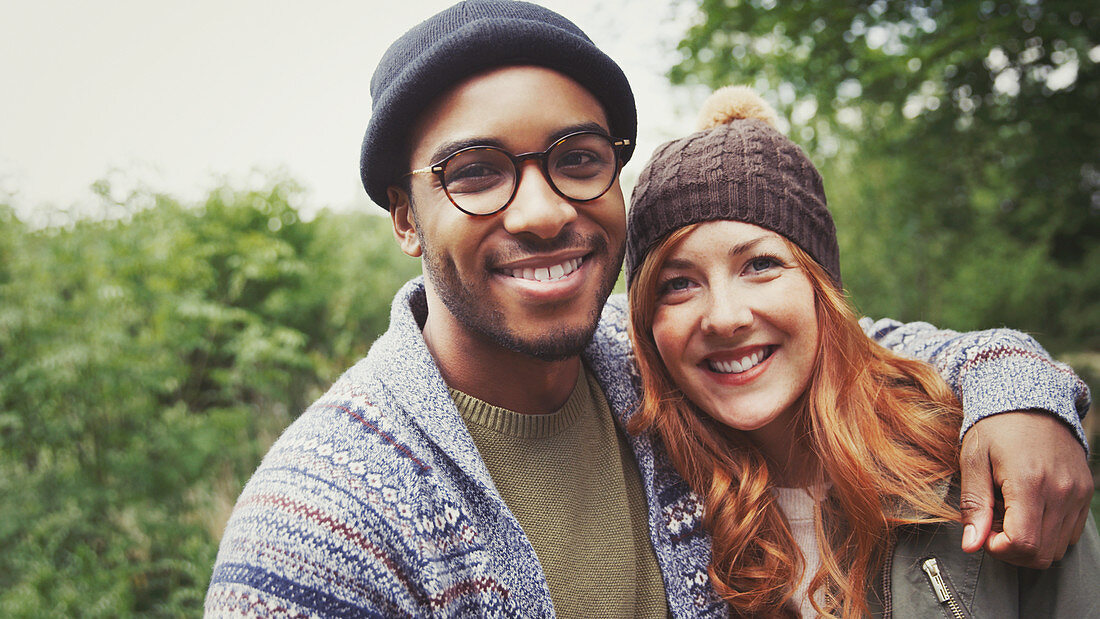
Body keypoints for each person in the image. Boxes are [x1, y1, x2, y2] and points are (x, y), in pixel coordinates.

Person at [205, 1, 1093, 616]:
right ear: (405, 215)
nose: (545, 208)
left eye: (577, 157)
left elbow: (854, 350)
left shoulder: (645, 366)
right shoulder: (320, 521)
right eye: (475, 172)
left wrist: (1018, 387)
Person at [624, 85, 1100, 617]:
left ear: (821, 288)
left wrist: (1019, 386)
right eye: (678, 283)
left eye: (759, 265)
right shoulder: (648, 491)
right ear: (645, 322)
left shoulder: (988, 459)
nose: (725, 316)